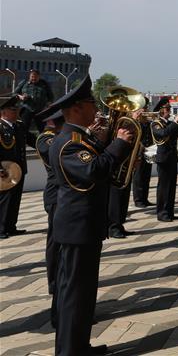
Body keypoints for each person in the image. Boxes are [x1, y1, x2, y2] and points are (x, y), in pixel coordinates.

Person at [46, 75, 135, 355]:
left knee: (84, 294)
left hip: (85, 226)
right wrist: (119, 143)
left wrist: (107, 141)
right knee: (74, 294)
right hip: (77, 228)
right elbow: (94, 170)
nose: (96, 109)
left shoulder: (79, 138)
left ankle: (79, 346)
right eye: (91, 104)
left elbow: (97, 161)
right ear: (75, 108)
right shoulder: (68, 143)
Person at [35, 108, 63, 327]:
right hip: (55, 196)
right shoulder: (45, 138)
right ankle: (53, 281)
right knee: (55, 243)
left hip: (62, 195)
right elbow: (58, 153)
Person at [150, 97, 178, 222]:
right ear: (161, 110)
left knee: (171, 187)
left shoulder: (170, 124)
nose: (169, 110)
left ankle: (170, 212)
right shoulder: (156, 123)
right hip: (163, 158)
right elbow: (163, 133)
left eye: (169, 108)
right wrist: (175, 123)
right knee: (163, 187)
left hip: (172, 158)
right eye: (167, 108)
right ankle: (162, 213)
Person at [0, 95, 30, 239]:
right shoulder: (1, 127)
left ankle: (11, 226)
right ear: (3, 112)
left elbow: (32, 140)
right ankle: (1, 229)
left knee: (15, 199)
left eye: (16, 109)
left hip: (19, 169)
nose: (16, 112)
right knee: (5, 199)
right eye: (13, 110)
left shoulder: (19, 126)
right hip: (5, 170)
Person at [15, 69, 54, 133]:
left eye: (36, 77)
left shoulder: (44, 84)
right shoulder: (24, 83)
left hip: (40, 110)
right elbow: (15, 93)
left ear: (39, 76)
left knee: (42, 129)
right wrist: (21, 97)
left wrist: (49, 104)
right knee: (24, 128)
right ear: (29, 76)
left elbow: (51, 96)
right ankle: (23, 139)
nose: (34, 78)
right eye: (32, 77)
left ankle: (41, 139)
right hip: (27, 108)